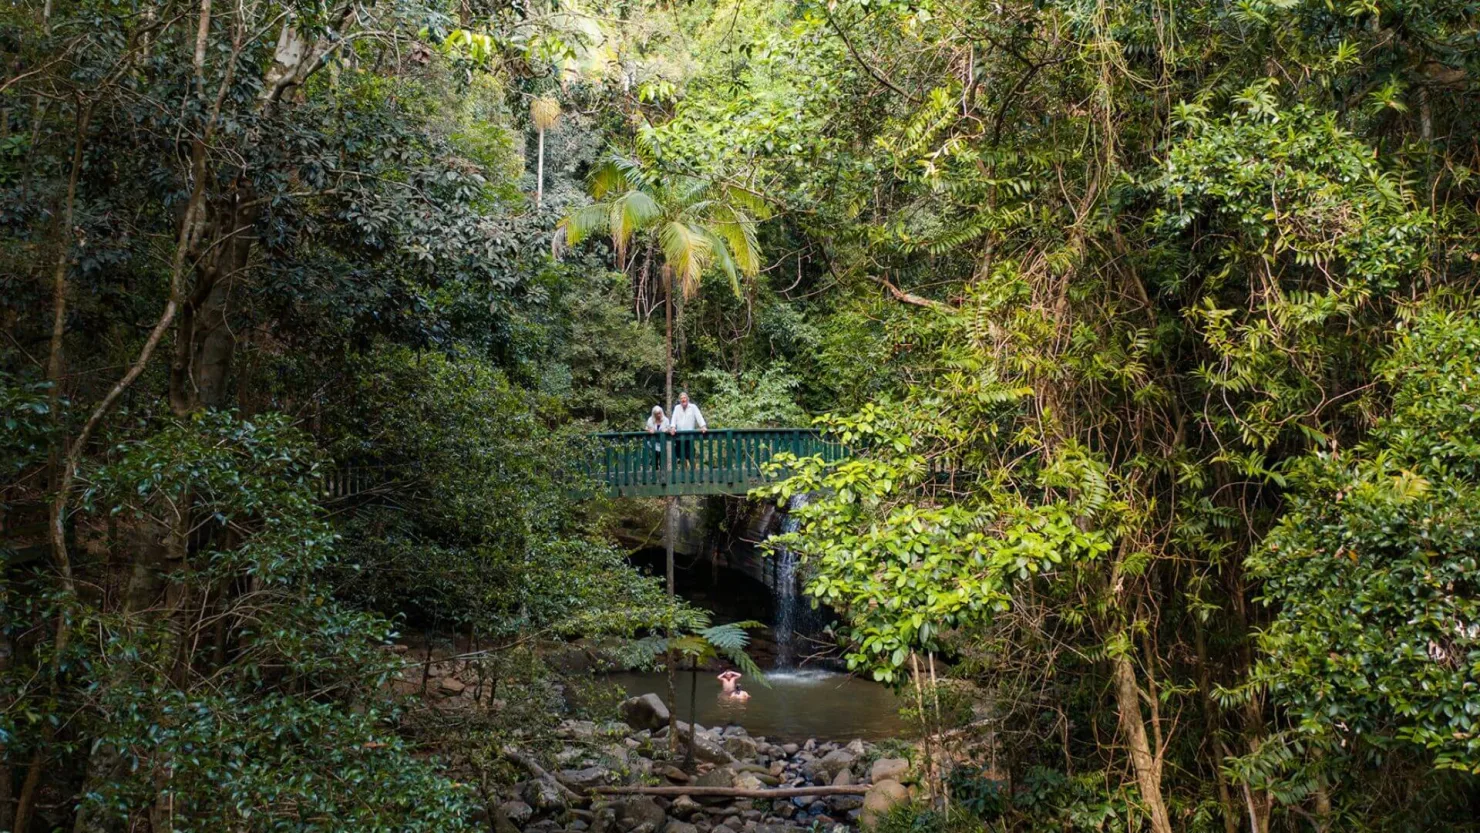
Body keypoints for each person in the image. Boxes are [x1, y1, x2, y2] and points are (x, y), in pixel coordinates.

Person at [668, 391, 707, 466]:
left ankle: (694, 472)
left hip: (689, 436)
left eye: (684, 398)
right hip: (679, 436)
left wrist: (703, 426)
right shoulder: (677, 408)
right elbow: (674, 419)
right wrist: (672, 427)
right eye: (681, 398)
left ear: (687, 399)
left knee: (691, 456)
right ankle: (685, 474)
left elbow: (699, 417)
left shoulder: (693, 407)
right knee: (681, 456)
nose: (683, 400)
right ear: (680, 400)